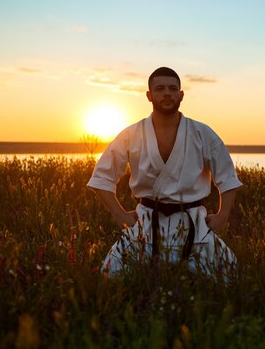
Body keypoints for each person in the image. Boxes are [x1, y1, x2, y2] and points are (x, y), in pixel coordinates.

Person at [87, 66, 242, 280]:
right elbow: (101, 179)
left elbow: (227, 179)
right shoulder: (131, 134)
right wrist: (121, 215)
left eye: (173, 88)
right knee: (109, 277)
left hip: (194, 225)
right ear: (149, 96)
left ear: (181, 95)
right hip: (146, 224)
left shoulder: (202, 133)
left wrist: (223, 216)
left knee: (230, 277)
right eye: (160, 88)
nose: (167, 93)